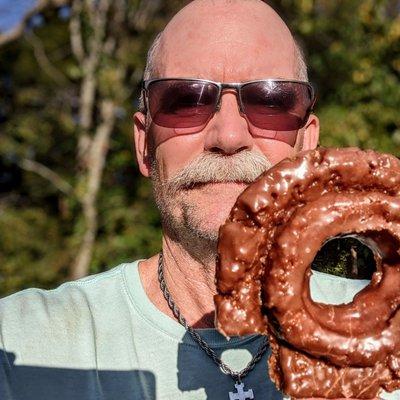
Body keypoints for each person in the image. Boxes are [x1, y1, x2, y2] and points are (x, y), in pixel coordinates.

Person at [0, 0, 392, 399]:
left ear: (307, 145)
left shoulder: (386, 333)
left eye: (271, 100)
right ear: (144, 145)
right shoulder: (21, 348)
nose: (228, 137)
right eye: (185, 100)